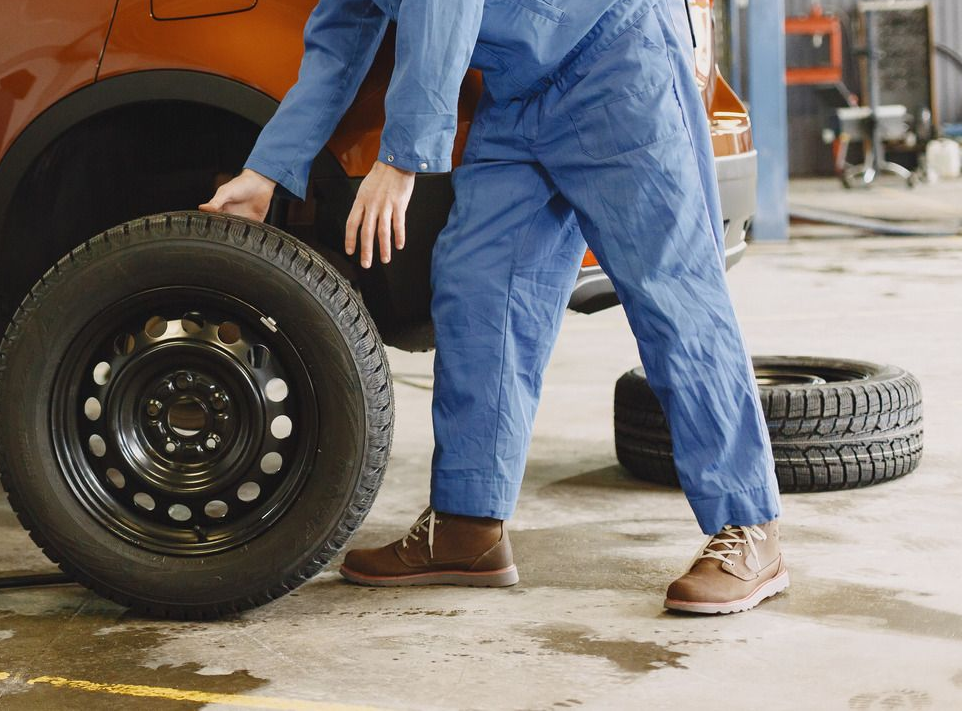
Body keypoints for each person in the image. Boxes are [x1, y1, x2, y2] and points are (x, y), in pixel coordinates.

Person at [200, 0, 786, 614]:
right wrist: (265, 171)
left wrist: (402, 158)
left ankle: (749, 527)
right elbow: (342, 39)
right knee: (480, 291)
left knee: (671, 295)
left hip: (614, 58)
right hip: (516, 94)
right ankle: (467, 523)